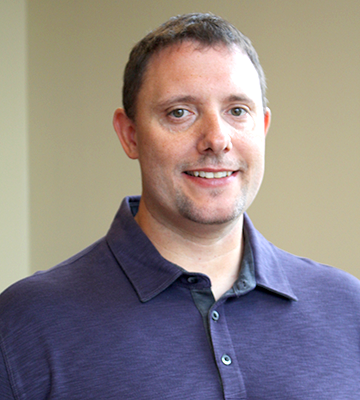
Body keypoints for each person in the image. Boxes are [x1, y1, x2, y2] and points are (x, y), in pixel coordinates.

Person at [1, 13, 359, 400]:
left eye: (237, 110)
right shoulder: (27, 322)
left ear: (264, 127)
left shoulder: (348, 308)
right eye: (180, 112)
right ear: (131, 135)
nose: (217, 140)